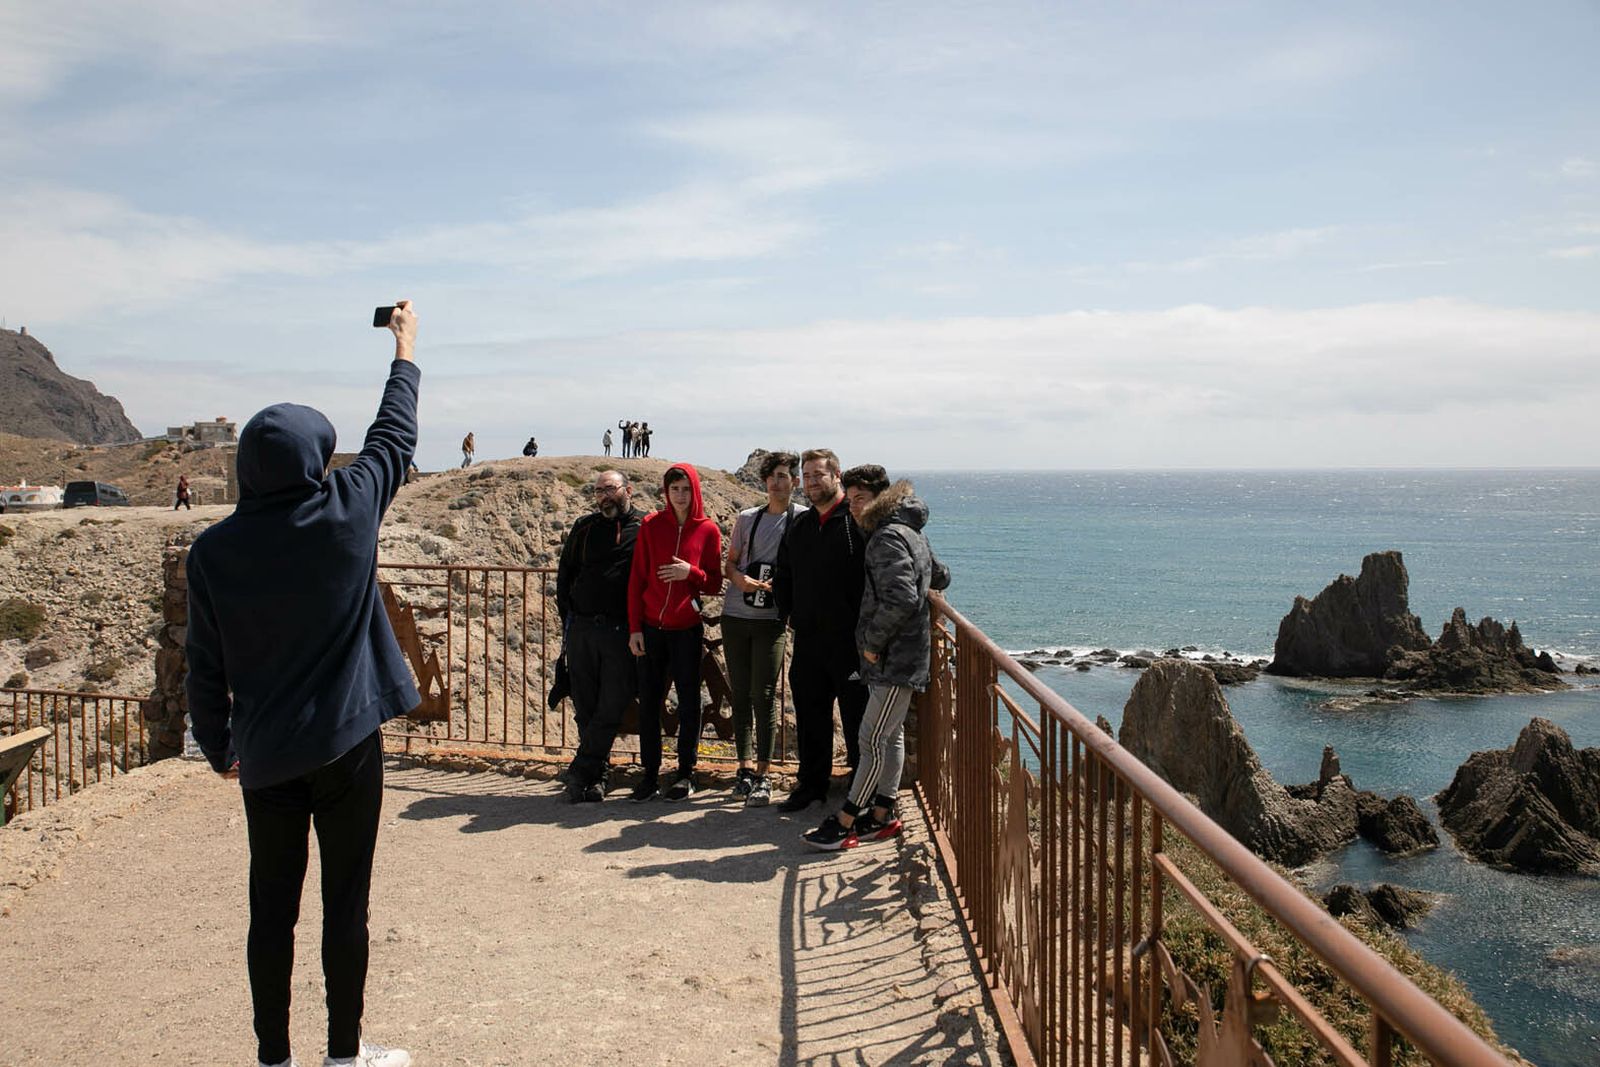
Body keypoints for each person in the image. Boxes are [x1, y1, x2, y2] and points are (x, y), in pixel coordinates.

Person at [186, 300, 421, 1067]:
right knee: (343, 904)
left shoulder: (213, 552)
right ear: (317, 458)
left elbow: (204, 664)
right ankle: (344, 1056)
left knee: (270, 912)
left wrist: (217, 745)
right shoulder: (348, 512)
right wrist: (404, 348)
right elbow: (394, 434)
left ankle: (273, 1058)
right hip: (347, 744)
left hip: (266, 758)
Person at [805, 467, 950, 850]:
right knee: (892, 734)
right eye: (849, 499)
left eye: (860, 499)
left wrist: (872, 642)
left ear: (880, 498)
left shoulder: (884, 537)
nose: (852, 507)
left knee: (870, 740)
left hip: (892, 658)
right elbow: (941, 576)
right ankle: (884, 811)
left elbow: (901, 597)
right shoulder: (910, 529)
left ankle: (847, 820)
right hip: (907, 654)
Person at [772, 448, 868, 813]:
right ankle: (811, 785)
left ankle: (863, 789)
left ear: (836, 475)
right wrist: (789, 613)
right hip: (809, 639)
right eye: (807, 476)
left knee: (858, 718)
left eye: (818, 475)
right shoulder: (800, 525)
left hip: (851, 642)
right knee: (811, 715)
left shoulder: (856, 521)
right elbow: (784, 573)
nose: (812, 482)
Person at [626, 463, 722, 802]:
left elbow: (713, 582)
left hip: (686, 630)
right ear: (666, 492)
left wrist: (689, 572)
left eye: (685, 489)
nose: (680, 495)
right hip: (651, 629)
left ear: (694, 491)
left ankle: (685, 773)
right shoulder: (652, 526)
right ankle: (650, 775)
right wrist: (635, 628)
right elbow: (637, 579)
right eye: (674, 489)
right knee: (649, 703)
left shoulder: (707, 530)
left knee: (689, 703)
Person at [721, 451, 804, 807]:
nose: (776, 482)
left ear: (794, 481)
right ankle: (743, 768)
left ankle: (764, 773)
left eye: (783, 476)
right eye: (771, 476)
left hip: (772, 620)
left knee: (764, 694)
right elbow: (730, 564)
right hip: (737, 615)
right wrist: (742, 582)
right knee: (739, 693)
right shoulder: (747, 518)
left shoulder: (802, 520)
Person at [555, 471, 642, 802]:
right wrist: (571, 621)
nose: (604, 496)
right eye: (598, 491)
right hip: (582, 629)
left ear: (627, 491)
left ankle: (581, 768)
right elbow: (566, 575)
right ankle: (597, 775)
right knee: (585, 705)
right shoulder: (585, 527)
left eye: (610, 489)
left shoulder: (644, 528)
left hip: (621, 631)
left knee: (611, 704)